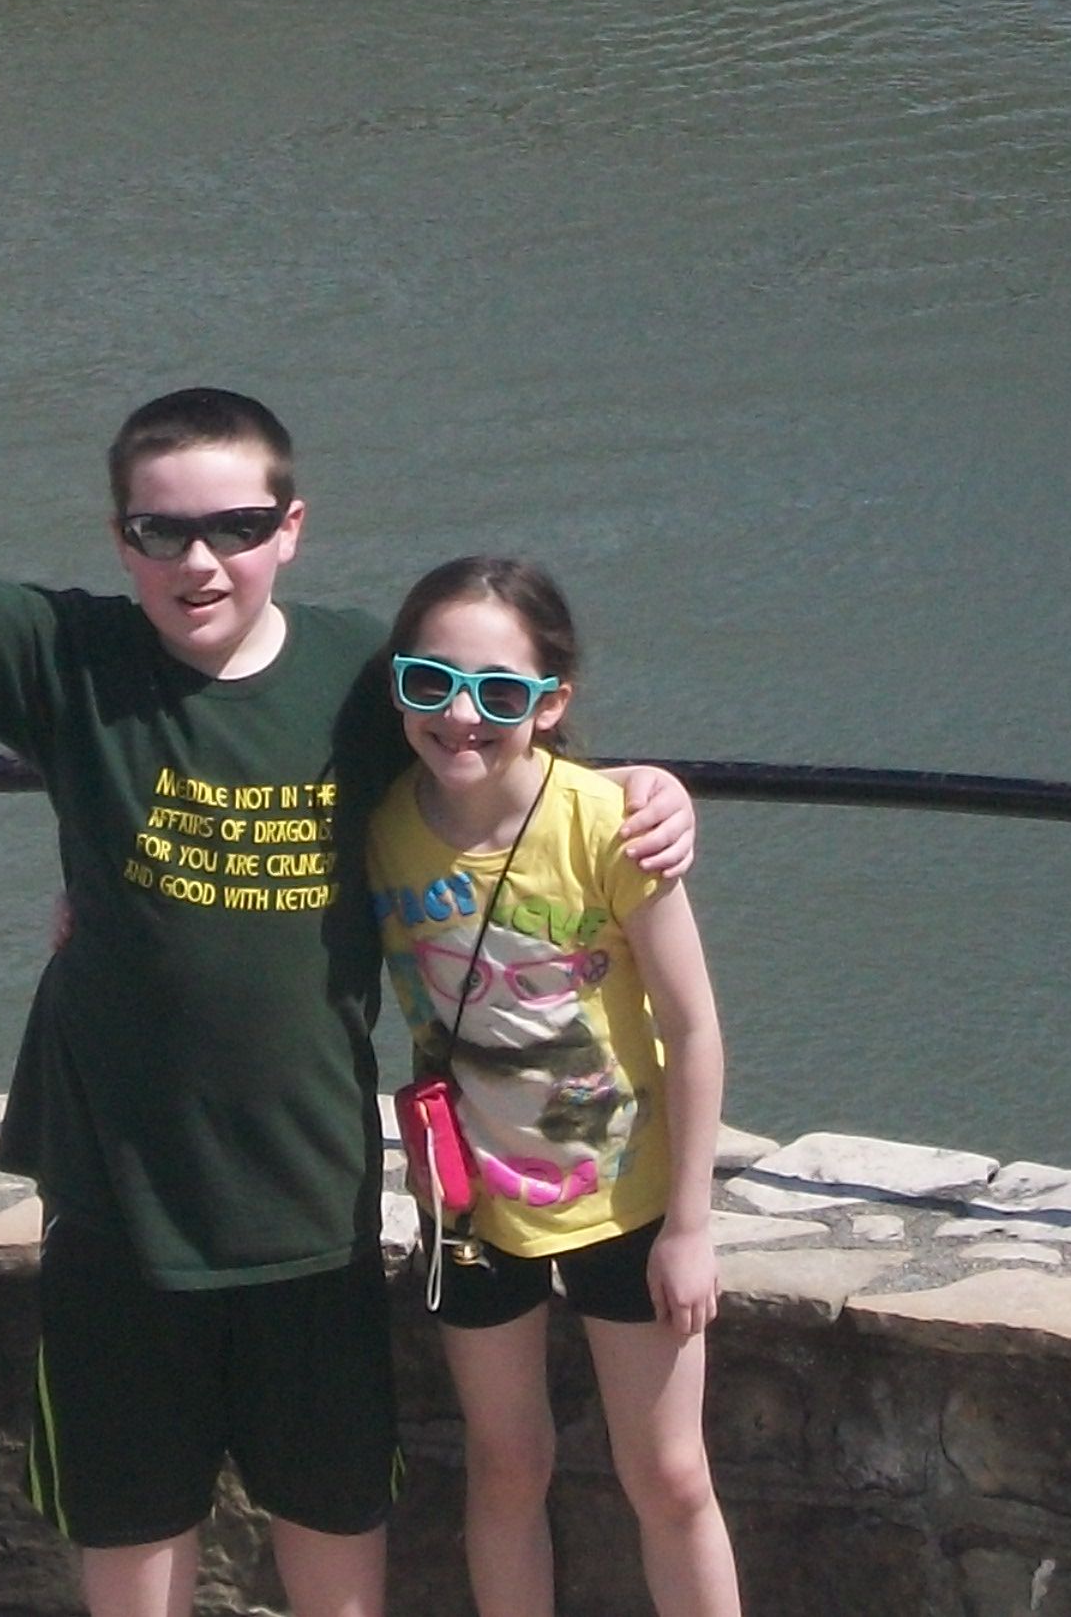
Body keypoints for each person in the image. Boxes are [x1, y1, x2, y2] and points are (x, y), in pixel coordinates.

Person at [0, 202, 697, 1617]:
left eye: (237, 527)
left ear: (290, 529)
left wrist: (650, 789)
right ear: (119, 538)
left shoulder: (370, 675)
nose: (201, 562)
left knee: (338, 1569)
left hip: (313, 1212)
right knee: (134, 1566)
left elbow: (498, 735)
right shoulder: (80, 660)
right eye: (162, 531)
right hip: (118, 1212)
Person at [369, 557, 739, 1617]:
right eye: (429, 683)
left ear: (552, 702)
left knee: (669, 1477)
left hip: (632, 1199)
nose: (461, 717)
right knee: (505, 1466)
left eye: (499, 692)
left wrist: (691, 1225)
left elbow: (691, 1022)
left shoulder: (605, 824)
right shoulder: (377, 826)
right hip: (468, 1206)